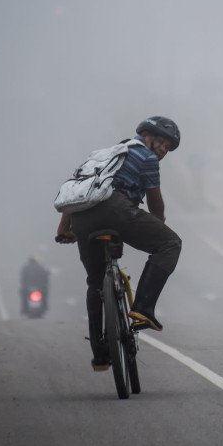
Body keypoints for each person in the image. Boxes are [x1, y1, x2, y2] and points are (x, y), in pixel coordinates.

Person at [55, 116, 182, 371]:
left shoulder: (102, 155)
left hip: (82, 217)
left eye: (168, 147)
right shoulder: (146, 158)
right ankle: (143, 309)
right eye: (162, 142)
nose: (163, 150)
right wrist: (157, 230)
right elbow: (156, 205)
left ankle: (100, 355)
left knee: (95, 282)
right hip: (117, 209)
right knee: (171, 243)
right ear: (147, 136)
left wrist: (64, 228)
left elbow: (81, 189)